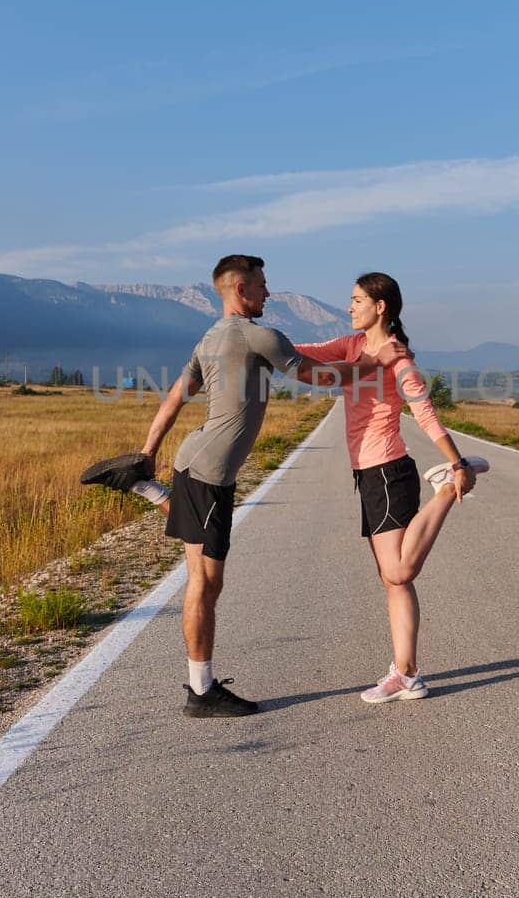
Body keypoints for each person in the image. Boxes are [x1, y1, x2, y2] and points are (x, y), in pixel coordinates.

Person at [90, 254, 397, 718]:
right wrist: (375, 362)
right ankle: (201, 691)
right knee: (205, 584)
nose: (268, 293)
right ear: (240, 289)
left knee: (203, 568)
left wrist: (150, 450)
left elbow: (177, 394)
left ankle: (145, 486)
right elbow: (317, 376)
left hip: (199, 466)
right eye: (262, 285)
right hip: (209, 472)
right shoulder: (258, 335)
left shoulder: (211, 338)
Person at [296, 272, 489, 704]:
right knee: (393, 582)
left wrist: (456, 462)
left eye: (357, 300)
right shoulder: (352, 347)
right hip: (367, 475)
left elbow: (424, 413)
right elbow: (305, 359)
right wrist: (257, 343)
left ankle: (444, 488)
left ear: (380, 306)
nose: (350, 307)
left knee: (399, 571)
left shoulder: (400, 362)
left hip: (388, 471)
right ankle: (407, 673)